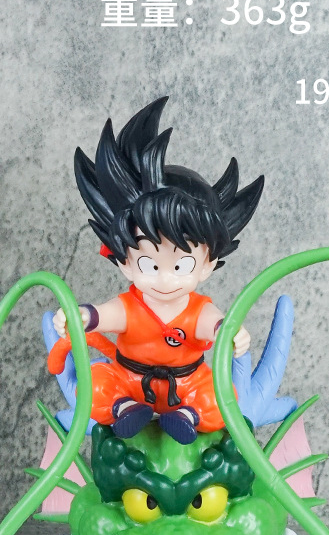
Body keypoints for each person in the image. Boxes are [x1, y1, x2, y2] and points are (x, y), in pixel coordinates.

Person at [52, 97, 263, 444]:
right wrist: (78, 317)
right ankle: (124, 409)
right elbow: (100, 315)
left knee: (220, 398)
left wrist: (232, 332)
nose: (165, 279)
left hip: (187, 385)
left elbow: (216, 324)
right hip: (129, 382)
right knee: (94, 385)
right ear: (125, 261)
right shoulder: (130, 306)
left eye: (182, 265)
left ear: (207, 264)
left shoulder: (197, 309)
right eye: (150, 264)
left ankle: (187, 417)